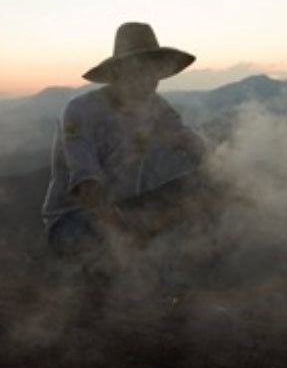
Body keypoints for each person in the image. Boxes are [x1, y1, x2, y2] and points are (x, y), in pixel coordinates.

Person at [41, 22, 215, 308]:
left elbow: (191, 142)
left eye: (154, 71)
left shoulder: (154, 107)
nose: (148, 80)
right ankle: (113, 286)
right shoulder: (81, 110)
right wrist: (124, 235)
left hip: (128, 213)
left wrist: (236, 170)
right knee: (110, 246)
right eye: (139, 70)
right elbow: (87, 186)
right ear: (118, 73)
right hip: (73, 223)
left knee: (208, 184)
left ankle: (171, 288)